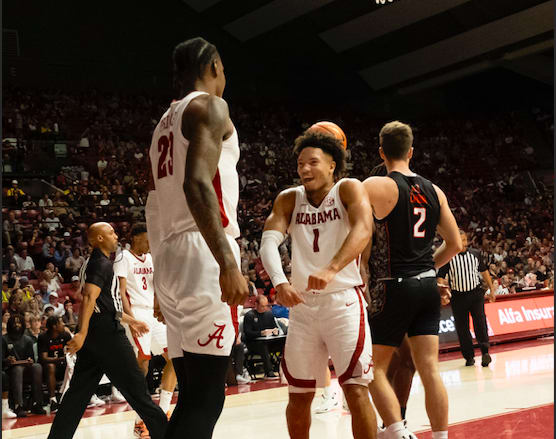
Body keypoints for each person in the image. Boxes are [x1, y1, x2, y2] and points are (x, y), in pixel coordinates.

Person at [147, 37, 249, 439]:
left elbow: (153, 205)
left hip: (170, 254)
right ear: (214, 67)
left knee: (190, 393)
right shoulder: (210, 105)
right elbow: (197, 185)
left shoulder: (162, 125)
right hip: (203, 253)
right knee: (206, 398)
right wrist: (226, 262)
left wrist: (159, 280)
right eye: (223, 71)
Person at [260, 128, 377, 439]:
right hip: (303, 307)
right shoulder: (289, 198)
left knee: (355, 390)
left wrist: (332, 268)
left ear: (331, 166)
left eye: (312, 162)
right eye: (300, 164)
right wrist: (280, 282)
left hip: (343, 302)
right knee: (298, 396)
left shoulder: (348, 189)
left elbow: (364, 229)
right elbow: (268, 242)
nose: (304, 169)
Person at [362, 121, 462, 439]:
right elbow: (455, 243)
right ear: (411, 151)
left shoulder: (375, 186)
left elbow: (359, 235)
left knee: (373, 369)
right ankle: (441, 436)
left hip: (394, 284)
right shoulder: (435, 190)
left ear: (381, 151)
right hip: (428, 285)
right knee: (429, 368)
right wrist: (428, 267)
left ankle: (395, 430)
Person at [46, 222, 168, 439]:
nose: (116, 235)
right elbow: (89, 298)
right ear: (99, 239)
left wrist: (130, 321)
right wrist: (81, 333)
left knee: (76, 397)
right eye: (110, 232)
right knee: (139, 392)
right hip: (107, 335)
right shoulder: (100, 263)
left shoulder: (93, 263)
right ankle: (166, 434)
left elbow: (105, 304)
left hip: (96, 335)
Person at [113, 222, 177, 435]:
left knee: (176, 358)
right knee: (142, 365)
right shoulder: (123, 257)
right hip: (137, 313)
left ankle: (163, 410)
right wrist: (131, 319)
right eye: (148, 239)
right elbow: (121, 292)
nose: (151, 243)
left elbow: (158, 286)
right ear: (137, 237)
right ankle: (141, 418)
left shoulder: (150, 258)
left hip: (153, 312)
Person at [438, 230, 496, 367]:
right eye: (460, 240)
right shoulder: (448, 257)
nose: (462, 243)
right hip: (458, 296)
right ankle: (469, 356)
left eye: (464, 240)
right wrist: (442, 292)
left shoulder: (475, 253)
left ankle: (485, 352)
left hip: (476, 294)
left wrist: (492, 289)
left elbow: (484, 271)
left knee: (480, 323)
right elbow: (441, 276)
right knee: (462, 327)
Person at [2, 314, 46, 417]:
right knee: (17, 369)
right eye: (14, 322)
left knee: (37, 367)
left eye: (19, 322)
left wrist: (30, 361)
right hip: (9, 370)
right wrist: (7, 360)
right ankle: (19, 405)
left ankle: (37, 403)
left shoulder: (27, 340)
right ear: (9, 324)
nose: (17, 324)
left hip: (25, 369)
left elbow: (31, 359)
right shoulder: (4, 339)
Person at [242, 294, 281, 379]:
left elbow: (275, 327)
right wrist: (261, 333)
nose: (264, 308)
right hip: (253, 343)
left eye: (266, 306)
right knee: (262, 346)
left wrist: (275, 331)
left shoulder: (269, 314)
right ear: (256, 304)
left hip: (268, 341)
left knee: (283, 343)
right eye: (262, 306)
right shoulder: (249, 315)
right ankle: (269, 372)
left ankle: (282, 369)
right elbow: (247, 333)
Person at [39, 316, 71, 412]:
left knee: (74, 364)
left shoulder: (65, 335)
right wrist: (59, 359)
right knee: (51, 366)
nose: (63, 324)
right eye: (61, 323)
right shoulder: (43, 337)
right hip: (48, 368)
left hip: (64, 365)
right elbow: (44, 358)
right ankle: (52, 400)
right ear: (54, 326)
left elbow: (71, 352)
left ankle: (79, 397)